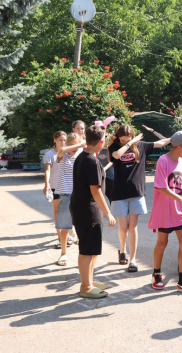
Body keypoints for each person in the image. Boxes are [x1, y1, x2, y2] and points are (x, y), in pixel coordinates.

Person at [109, 125, 171, 272]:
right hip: (119, 193)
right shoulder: (114, 147)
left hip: (136, 192)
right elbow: (116, 156)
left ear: (132, 136)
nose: (125, 142)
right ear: (118, 138)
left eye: (128, 139)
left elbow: (162, 143)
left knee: (133, 227)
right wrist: (130, 143)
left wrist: (180, 136)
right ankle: (122, 249)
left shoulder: (141, 146)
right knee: (123, 228)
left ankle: (132, 260)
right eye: (122, 140)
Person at [148, 130, 182, 294]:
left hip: (179, 210)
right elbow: (161, 186)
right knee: (162, 242)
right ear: (181, 145)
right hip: (164, 210)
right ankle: (156, 274)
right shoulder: (163, 161)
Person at [70, 125, 117, 299]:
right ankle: (86, 287)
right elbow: (96, 191)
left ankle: (89, 280)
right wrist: (108, 213)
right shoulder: (91, 161)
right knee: (87, 250)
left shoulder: (83, 157)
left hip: (84, 208)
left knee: (93, 249)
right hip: (88, 210)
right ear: (101, 142)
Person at [55, 133, 85, 266]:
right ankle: (63, 253)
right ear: (67, 144)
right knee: (65, 227)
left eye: (76, 145)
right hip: (66, 195)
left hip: (80, 195)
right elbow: (62, 150)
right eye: (71, 145)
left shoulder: (81, 156)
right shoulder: (63, 156)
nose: (74, 148)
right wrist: (81, 144)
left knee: (82, 227)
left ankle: (83, 256)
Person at [43, 131, 67, 250]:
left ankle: (68, 235)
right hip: (55, 186)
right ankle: (60, 238)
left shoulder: (69, 152)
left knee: (69, 211)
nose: (62, 142)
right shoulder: (50, 154)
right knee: (57, 212)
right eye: (60, 140)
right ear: (55, 140)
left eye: (64, 140)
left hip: (68, 187)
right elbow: (47, 170)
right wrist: (47, 184)